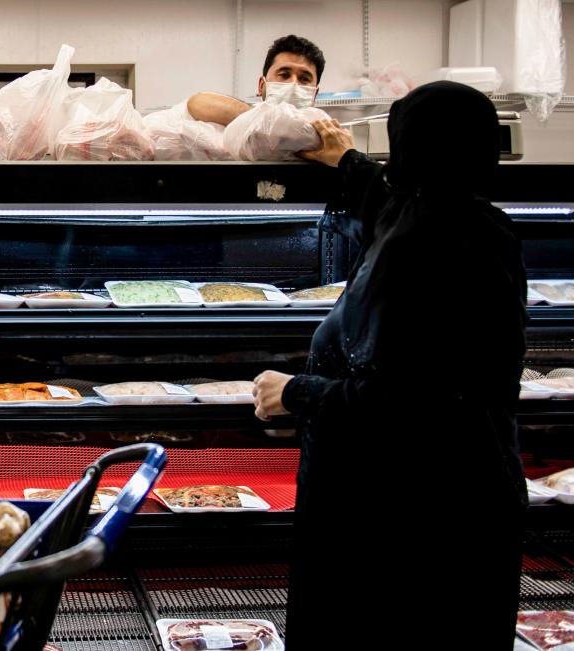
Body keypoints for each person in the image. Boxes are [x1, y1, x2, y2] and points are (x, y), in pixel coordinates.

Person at [252, 81, 528, 650]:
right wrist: (348, 162)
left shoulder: (433, 247)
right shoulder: (465, 219)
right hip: (446, 502)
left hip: (413, 523)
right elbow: (393, 203)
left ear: (411, 149)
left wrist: (296, 392)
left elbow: (413, 402)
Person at [186, 34, 325, 125]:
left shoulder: (323, 136)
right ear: (261, 86)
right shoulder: (245, 122)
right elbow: (197, 103)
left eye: (304, 78)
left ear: (314, 94)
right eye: (284, 75)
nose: (293, 83)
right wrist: (264, 119)